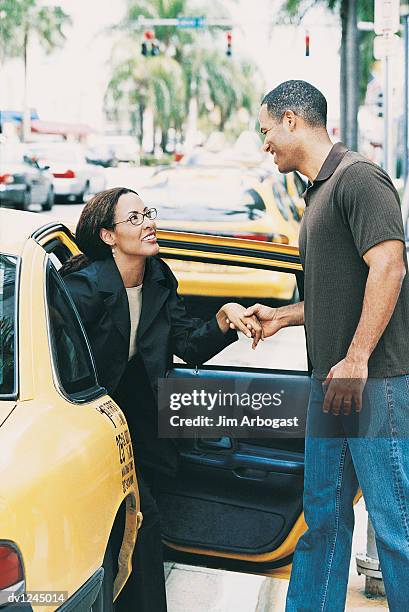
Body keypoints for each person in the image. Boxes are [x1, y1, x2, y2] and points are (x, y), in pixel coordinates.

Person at [235, 80, 409, 611]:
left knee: (396, 527)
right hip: (331, 384)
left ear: (291, 120)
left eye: (266, 130)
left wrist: (357, 359)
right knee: (323, 521)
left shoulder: (359, 180)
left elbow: (389, 265)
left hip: (373, 383)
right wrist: (284, 316)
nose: (265, 142)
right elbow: (342, 292)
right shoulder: (317, 192)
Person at [60, 187, 263, 612]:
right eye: (133, 219)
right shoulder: (81, 290)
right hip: (83, 416)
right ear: (109, 236)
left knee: (143, 523)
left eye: (147, 213)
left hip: (137, 414)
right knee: (141, 522)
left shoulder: (157, 277)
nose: (148, 222)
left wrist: (224, 319)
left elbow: (186, 344)